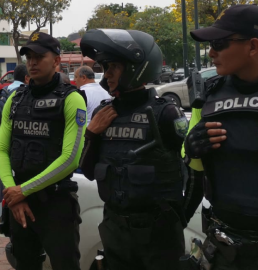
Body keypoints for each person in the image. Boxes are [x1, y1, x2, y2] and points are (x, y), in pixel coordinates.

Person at [79, 29, 188, 270]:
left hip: (158, 232)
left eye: (113, 67)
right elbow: (87, 171)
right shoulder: (102, 114)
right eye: (105, 68)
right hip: (115, 228)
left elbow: (191, 169)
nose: (107, 75)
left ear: (135, 68)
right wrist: (92, 134)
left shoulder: (166, 113)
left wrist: (180, 217)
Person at [0, 32, 86, 270]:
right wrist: (13, 196)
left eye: (39, 57)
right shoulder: (15, 99)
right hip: (19, 203)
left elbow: (70, 159)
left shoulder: (72, 98)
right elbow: (2, 150)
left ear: (56, 61)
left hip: (56, 203)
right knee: (24, 264)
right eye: (29, 57)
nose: (32, 62)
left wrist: (21, 191)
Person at [184, 4, 258, 269]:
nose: (211, 52)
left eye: (220, 43)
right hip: (223, 243)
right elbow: (193, 169)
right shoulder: (210, 95)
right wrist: (191, 148)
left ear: (252, 46)